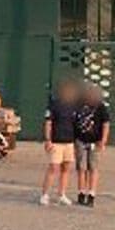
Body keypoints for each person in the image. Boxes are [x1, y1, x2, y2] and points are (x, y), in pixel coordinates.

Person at [39, 78, 79, 206]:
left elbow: (76, 125)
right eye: (67, 91)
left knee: (66, 168)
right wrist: (48, 140)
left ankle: (62, 194)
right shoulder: (54, 105)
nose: (70, 93)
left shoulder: (74, 106)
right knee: (53, 168)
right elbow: (48, 123)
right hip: (56, 141)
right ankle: (45, 194)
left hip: (69, 142)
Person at [74, 83, 110, 208]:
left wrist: (103, 140)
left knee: (93, 167)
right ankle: (81, 192)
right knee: (81, 167)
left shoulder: (101, 107)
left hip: (95, 141)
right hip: (80, 139)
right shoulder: (79, 105)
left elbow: (106, 124)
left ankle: (92, 193)